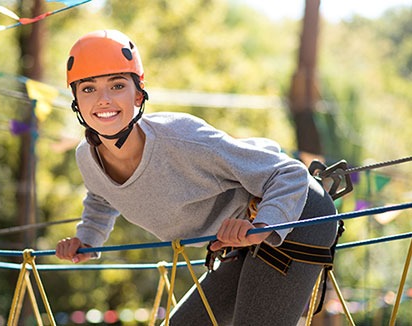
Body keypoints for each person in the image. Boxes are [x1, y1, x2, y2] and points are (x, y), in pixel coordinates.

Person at [55, 29, 339, 325]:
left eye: (116, 85)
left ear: (138, 94)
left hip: (297, 214)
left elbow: (289, 172)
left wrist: (262, 226)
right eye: (88, 89)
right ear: (75, 99)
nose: (103, 99)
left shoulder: (182, 139)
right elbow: (101, 197)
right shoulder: (86, 158)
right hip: (240, 240)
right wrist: (86, 241)